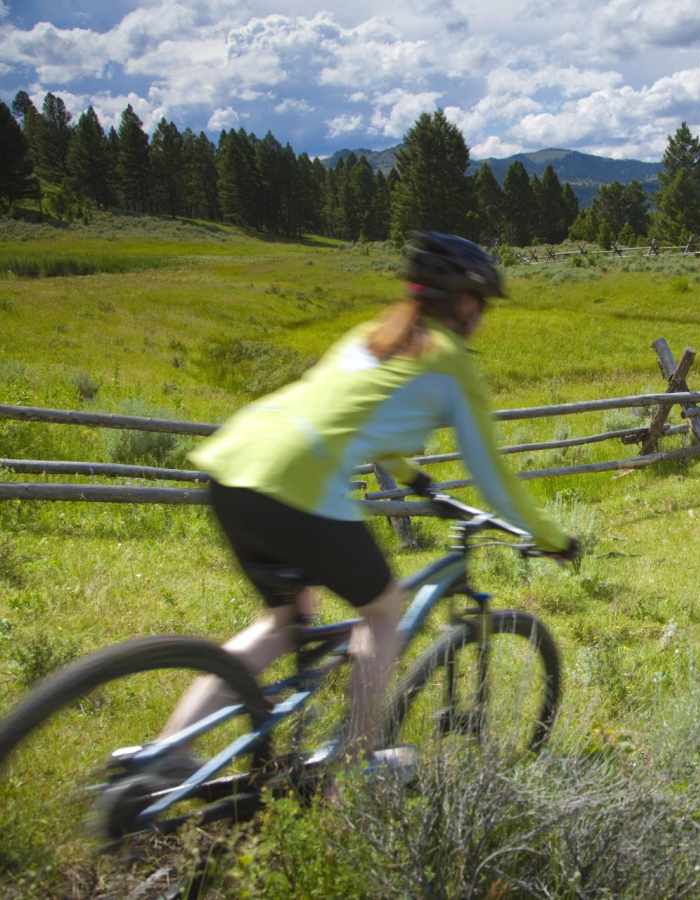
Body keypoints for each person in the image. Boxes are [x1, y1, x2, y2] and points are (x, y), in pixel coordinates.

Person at [157, 232, 576, 769]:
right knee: (383, 610)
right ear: (464, 301)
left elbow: (355, 415)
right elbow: (493, 477)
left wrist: (417, 482)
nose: (483, 315)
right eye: (482, 303)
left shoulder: (374, 334)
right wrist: (553, 539)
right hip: (297, 481)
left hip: (232, 463)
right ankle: (350, 765)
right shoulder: (453, 363)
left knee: (282, 623)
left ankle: (166, 752)